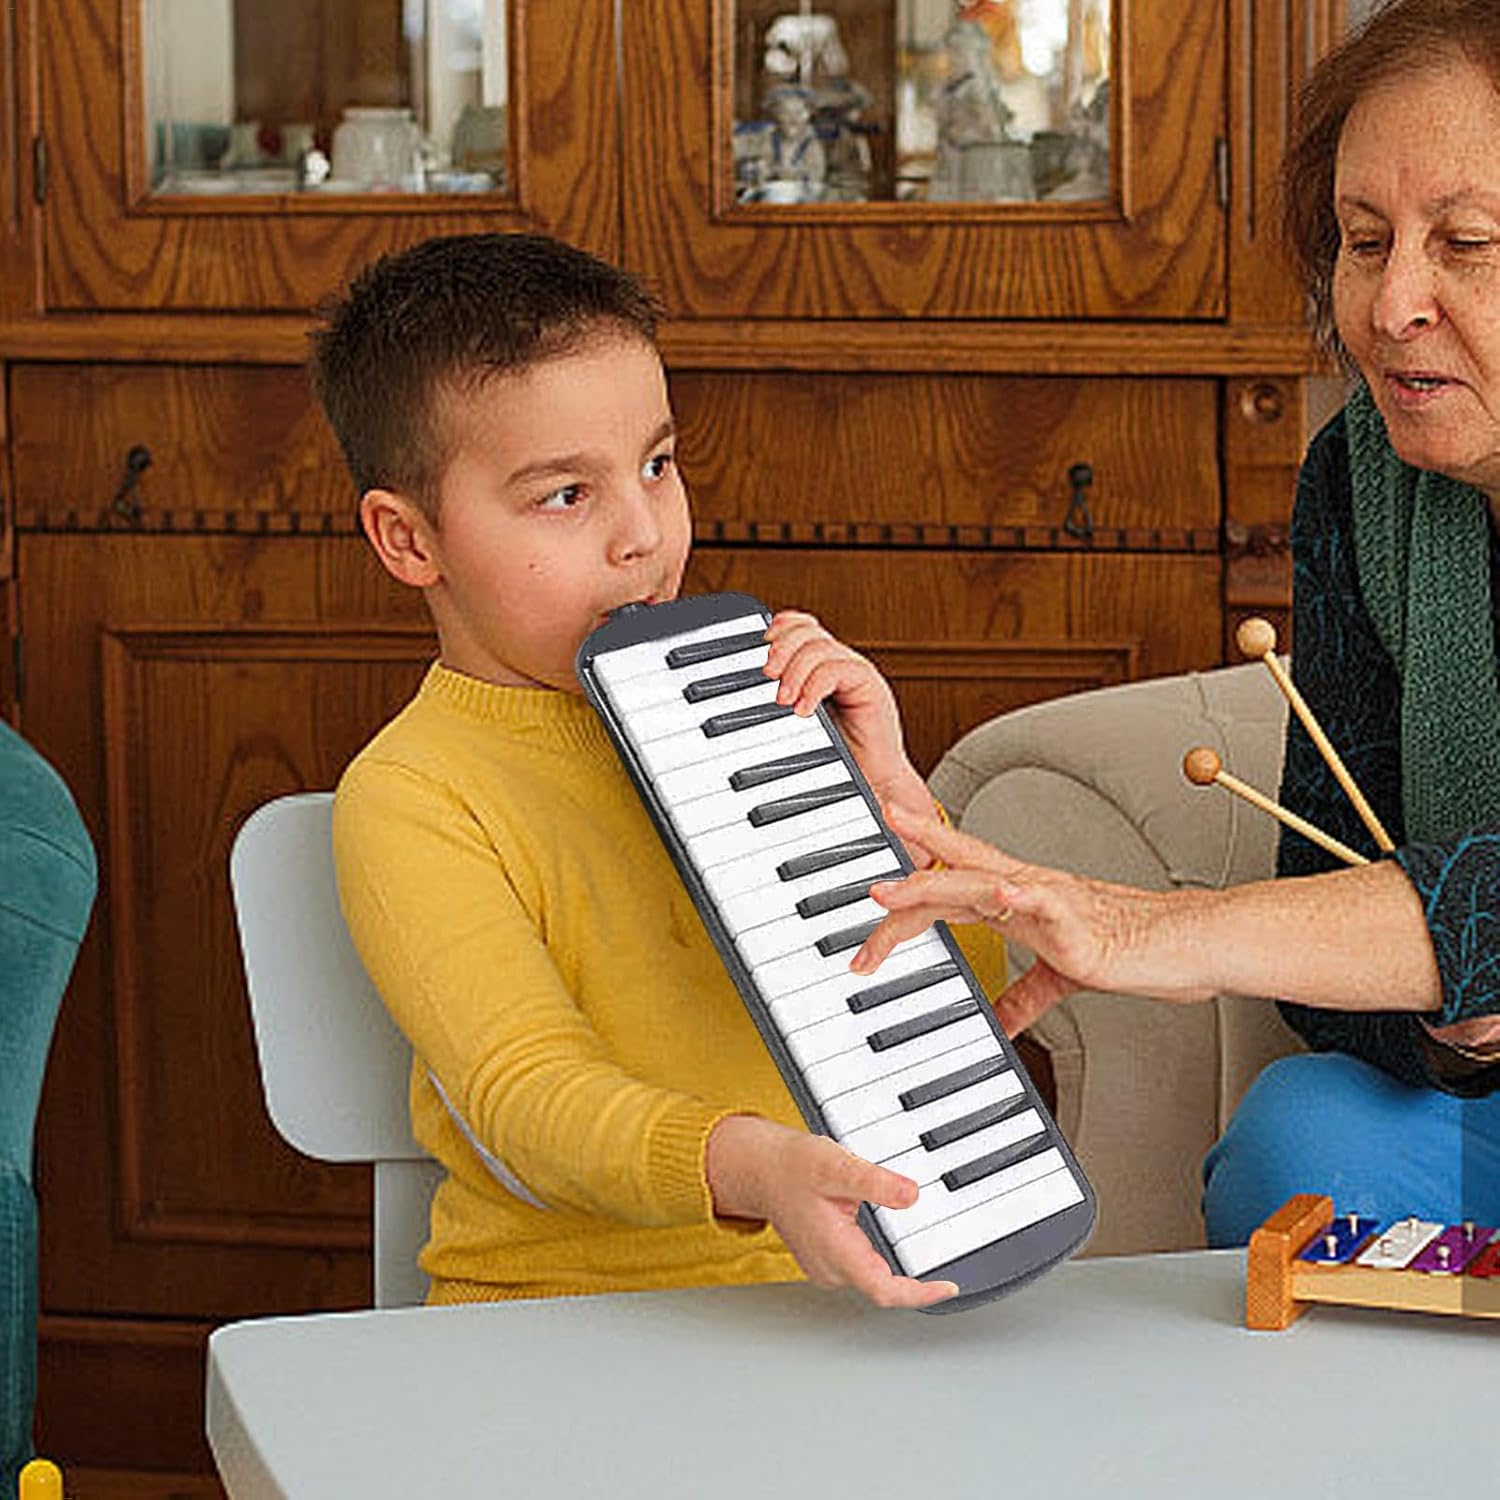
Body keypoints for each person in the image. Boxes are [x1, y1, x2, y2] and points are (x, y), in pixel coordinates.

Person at [853, 0, 1500, 1246]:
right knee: (1299, 1146)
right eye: (1365, 242)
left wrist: (1160, 930)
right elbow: (1321, 883)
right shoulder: (1360, 477)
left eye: (1465, 243)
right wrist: (1440, 1017)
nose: (1391, 303)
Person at [309, 232, 1004, 1309]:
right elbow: (530, 1099)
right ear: (409, 541)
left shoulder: (759, 711)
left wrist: (894, 803)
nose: (643, 534)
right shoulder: (417, 796)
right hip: (554, 1320)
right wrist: (754, 1169)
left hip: (838, 1297)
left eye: (656, 465)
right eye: (563, 497)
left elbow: (981, 1012)